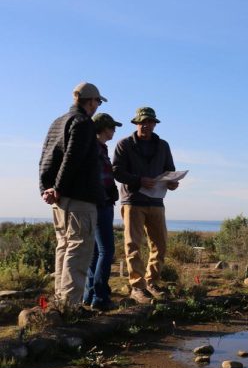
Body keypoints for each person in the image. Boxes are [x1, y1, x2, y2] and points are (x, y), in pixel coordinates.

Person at [39, 82, 107, 313]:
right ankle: (70, 307)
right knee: (78, 250)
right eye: (98, 101)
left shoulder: (57, 122)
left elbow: (45, 158)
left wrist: (47, 188)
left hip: (60, 198)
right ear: (89, 101)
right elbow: (72, 158)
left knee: (64, 247)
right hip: (79, 197)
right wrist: (57, 187)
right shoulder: (83, 123)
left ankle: (61, 301)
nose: (97, 106)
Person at [112, 107, 179, 304]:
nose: (145, 125)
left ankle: (152, 282)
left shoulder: (163, 146)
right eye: (142, 122)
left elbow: (170, 171)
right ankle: (137, 287)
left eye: (149, 122)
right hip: (133, 200)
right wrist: (139, 180)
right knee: (133, 244)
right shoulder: (124, 144)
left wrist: (173, 182)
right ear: (136, 123)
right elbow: (117, 171)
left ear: (154, 124)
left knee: (160, 244)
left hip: (157, 201)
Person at [83, 112, 123, 311]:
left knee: (97, 252)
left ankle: (89, 296)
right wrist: (108, 193)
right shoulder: (95, 149)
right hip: (101, 204)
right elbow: (97, 178)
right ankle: (100, 298)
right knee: (107, 251)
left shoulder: (100, 148)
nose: (114, 131)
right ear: (103, 128)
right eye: (111, 127)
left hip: (100, 203)